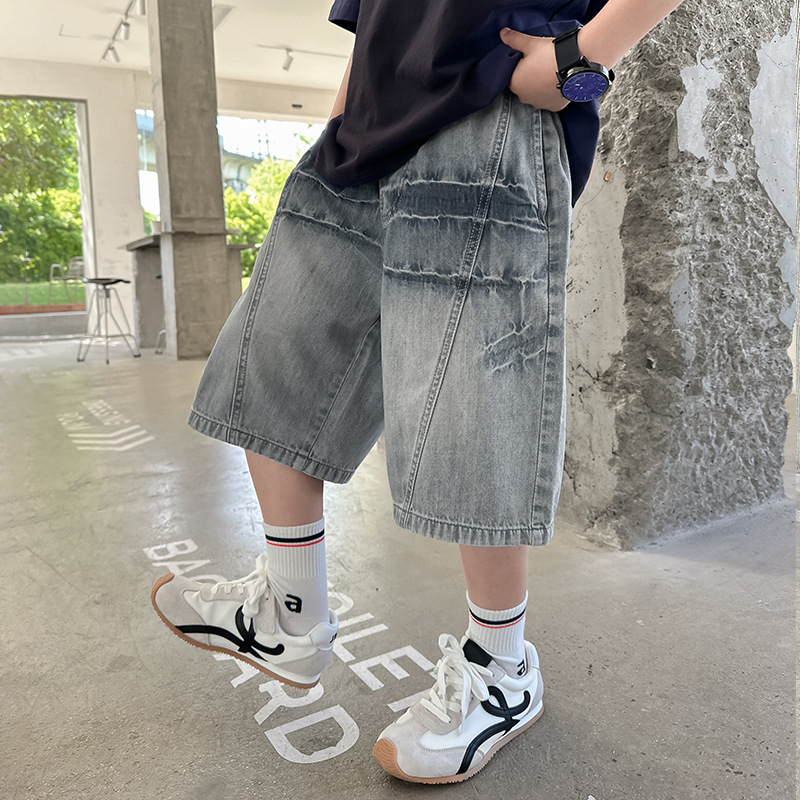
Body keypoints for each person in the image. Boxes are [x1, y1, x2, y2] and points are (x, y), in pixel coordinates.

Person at [152, 0, 686, 784]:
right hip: (363, 128)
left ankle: (502, 668)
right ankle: (287, 615)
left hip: (489, 103)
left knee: (472, 401)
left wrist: (582, 58)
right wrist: (343, 117)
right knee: (278, 356)